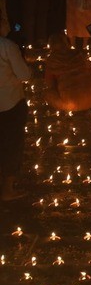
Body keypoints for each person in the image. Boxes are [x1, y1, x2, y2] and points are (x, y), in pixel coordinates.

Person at [0, 30, 31, 201]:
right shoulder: (7, 46)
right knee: (11, 144)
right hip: (9, 103)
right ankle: (7, 189)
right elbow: (24, 75)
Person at [43, 32, 91, 112]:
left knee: (48, 93)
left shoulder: (52, 61)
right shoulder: (78, 55)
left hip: (71, 103)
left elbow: (49, 83)